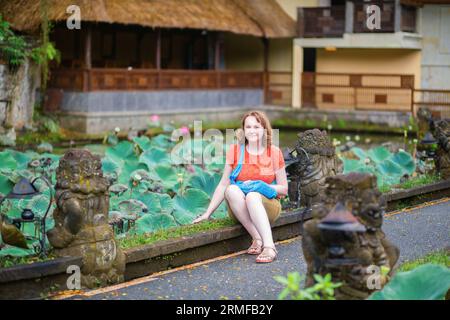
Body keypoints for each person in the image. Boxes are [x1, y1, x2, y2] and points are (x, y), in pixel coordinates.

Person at [193, 110, 288, 263]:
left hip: (268, 206)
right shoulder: (235, 151)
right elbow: (224, 183)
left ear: (264, 129)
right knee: (231, 189)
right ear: (243, 130)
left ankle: (269, 246)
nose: (252, 131)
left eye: (257, 127)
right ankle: (257, 237)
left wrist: (260, 185)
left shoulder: (274, 152)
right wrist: (207, 213)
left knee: (252, 195)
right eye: (248, 127)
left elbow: (284, 189)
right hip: (240, 210)